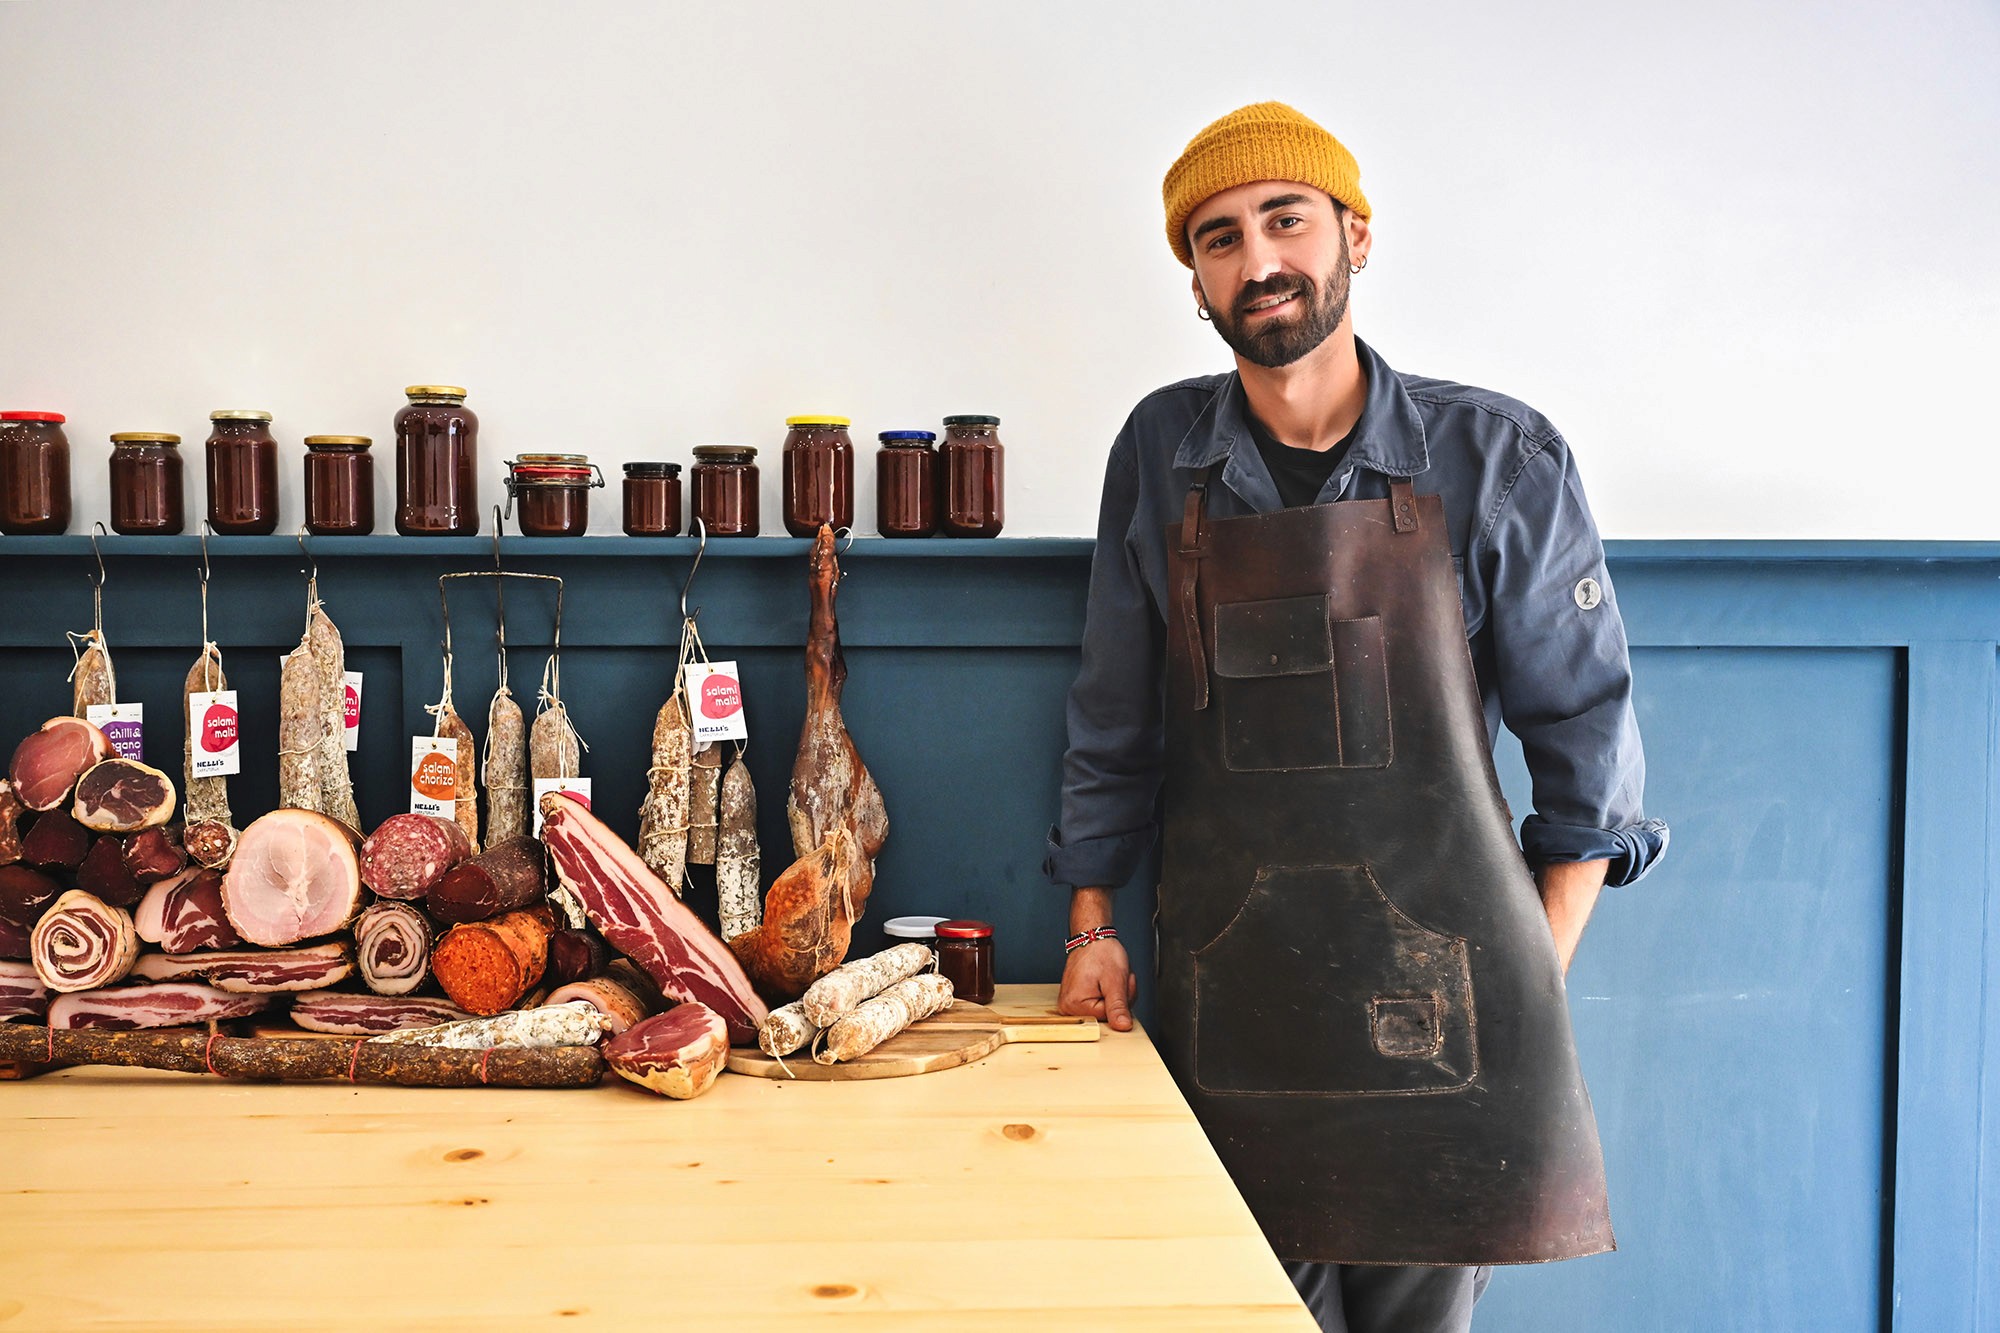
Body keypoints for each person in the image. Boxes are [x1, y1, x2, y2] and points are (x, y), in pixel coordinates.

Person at [1047, 102, 1668, 1333]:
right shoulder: (1159, 448)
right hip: (1228, 996)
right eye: (1218, 239)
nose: (1258, 259)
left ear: (1355, 239)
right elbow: (1114, 711)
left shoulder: (1497, 456)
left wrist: (1522, 981)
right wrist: (1089, 923)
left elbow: (1589, 760)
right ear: (1195, 282)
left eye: (1286, 221)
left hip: (1455, 1017)